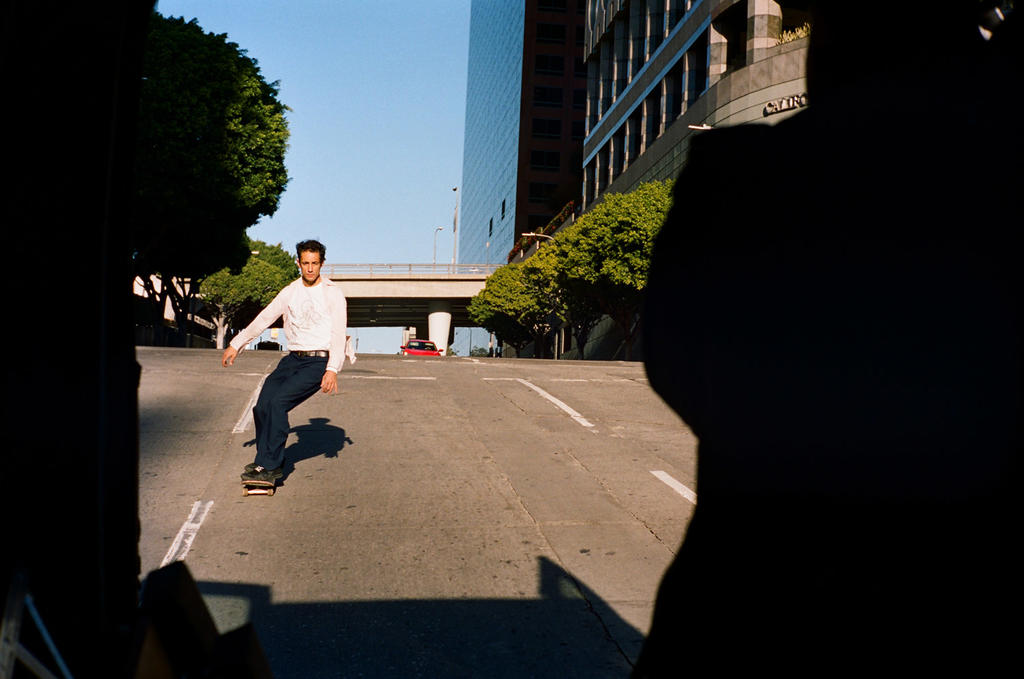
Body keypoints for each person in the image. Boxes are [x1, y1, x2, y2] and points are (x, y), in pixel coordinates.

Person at [633, 2, 1020, 676]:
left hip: (751, 595)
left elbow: (676, 355)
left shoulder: (739, 179)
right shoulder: (999, 184)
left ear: (832, 55)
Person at [222, 239, 350, 483]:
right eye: (305, 263)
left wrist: (332, 369)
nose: (310, 268)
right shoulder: (290, 291)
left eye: (314, 263)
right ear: (298, 263)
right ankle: (264, 460)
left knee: (278, 404)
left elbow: (338, 333)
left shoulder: (333, 294)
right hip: (292, 360)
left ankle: (271, 466)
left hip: (318, 362)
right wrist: (236, 344)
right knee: (262, 406)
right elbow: (264, 318)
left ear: (322, 264)